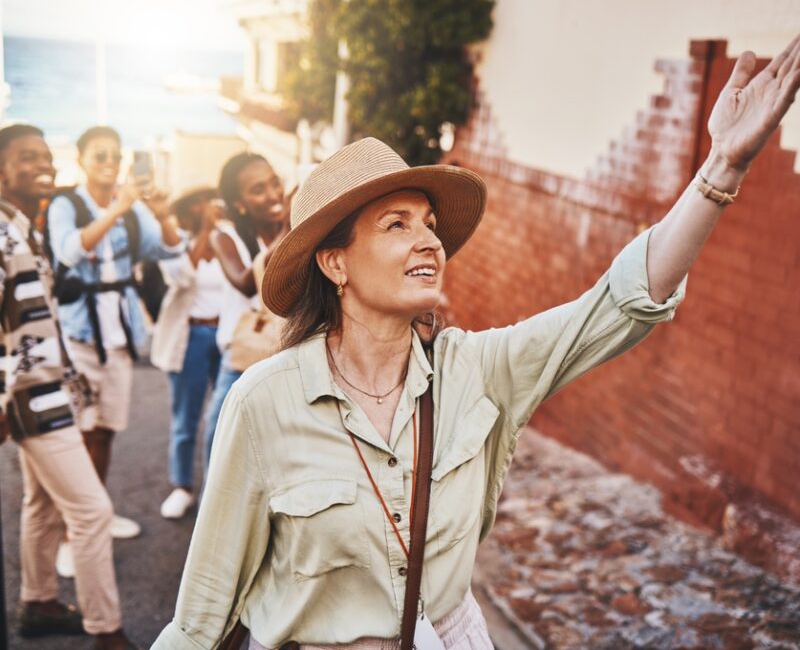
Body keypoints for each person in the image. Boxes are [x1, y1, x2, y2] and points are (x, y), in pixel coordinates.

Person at [153, 36, 800, 649]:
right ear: (336, 263)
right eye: (396, 224)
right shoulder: (264, 403)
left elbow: (617, 304)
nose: (429, 240)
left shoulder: (477, 372)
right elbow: (203, 611)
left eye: (430, 224)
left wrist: (723, 167)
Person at [0, 124, 141, 650]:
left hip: (46, 390)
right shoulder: (3, 231)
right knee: (91, 511)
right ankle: (108, 633)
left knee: (42, 504)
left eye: (45, 156)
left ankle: (38, 603)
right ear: (1, 171)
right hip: (32, 397)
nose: (43, 164)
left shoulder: (24, 227)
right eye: (26, 157)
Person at [47, 126, 184, 545]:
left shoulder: (131, 209)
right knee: (80, 434)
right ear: (82, 159)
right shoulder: (66, 204)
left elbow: (170, 250)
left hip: (120, 337)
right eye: (99, 156)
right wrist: (117, 207)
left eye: (114, 157)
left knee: (105, 430)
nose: (108, 164)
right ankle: (76, 534)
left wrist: (161, 214)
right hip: (80, 336)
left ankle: (96, 514)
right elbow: (68, 252)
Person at [202, 152, 289, 467]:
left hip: (287, 354)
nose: (272, 195)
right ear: (239, 203)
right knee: (220, 444)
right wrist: (289, 227)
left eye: (274, 183)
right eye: (258, 189)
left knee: (276, 450)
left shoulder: (295, 231)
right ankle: (210, 511)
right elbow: (246, 283)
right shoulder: (224, 237)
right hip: (243, 358)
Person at [151, 187, 226, 518]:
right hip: (191, 334)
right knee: (186, 418)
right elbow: (184, 276)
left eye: (208, 199)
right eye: (197, 201)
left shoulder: (230, 238)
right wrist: (206, 230)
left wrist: (216, 230)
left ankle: (219, 489)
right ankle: (182, 486)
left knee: (225, 416)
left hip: (227, 335)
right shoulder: (175, 240)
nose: (205, 206)